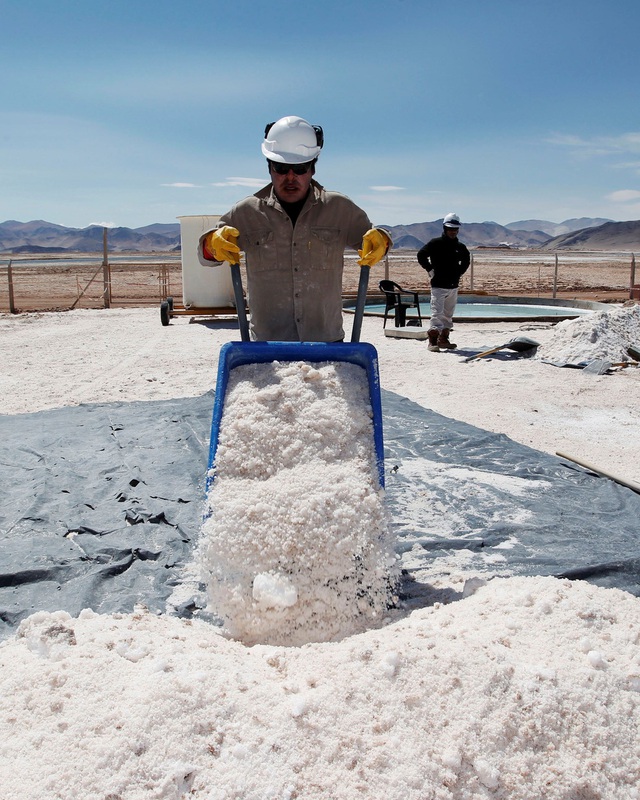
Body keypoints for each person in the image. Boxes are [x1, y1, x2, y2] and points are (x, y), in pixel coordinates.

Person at [199, 115, 391, 342]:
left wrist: (383, 241)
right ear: (269, 167)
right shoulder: (246, 212)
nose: (290, 177)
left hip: (326, 342)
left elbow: (374, 241)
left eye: (299, 168)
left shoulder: (340, 209)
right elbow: (206, 257)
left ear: (312, 168)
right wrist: (212, 243)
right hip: (266, 345)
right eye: (281, 168)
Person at [417, 213, 470, 351]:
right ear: (444, 228)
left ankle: (444, 339)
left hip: (453, 286)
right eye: (450, 228)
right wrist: (430, 269)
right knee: (437, 313)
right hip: (438, 285)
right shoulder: (435, 243)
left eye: (455, 229)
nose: (452, 231)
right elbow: (421, 254)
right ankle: (433, 341)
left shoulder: (460, 247)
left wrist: (459, 272)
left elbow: (466, 260)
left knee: (448, 315)